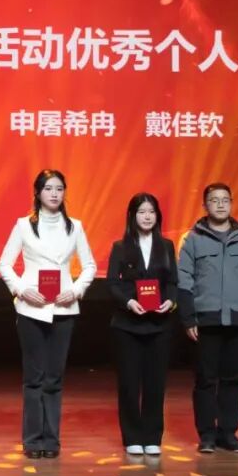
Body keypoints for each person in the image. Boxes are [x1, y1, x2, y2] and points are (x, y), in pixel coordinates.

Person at [0, 170, 96, 459]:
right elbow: (4, 264)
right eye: (48, 188)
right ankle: (32, 440)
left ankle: (51, 441)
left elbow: (89, 266)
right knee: (34, 377)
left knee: (54, 378)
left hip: (64, 307)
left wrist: (75, 290)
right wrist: (21, 290)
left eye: (59, 189)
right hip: (32, 307)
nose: (54, 194)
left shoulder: (75, 227)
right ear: (38, 192)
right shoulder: (23, 225)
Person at [178, 182, 238, 454]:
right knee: (205, 380)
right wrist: (188, 318)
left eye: (225, 200)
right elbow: (184, 281)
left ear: (231, 203)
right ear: (205, 205)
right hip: (206, 321)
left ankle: (228, 433)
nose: (220, 204)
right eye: (214, 200)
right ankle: (206, 435)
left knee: (234, 380)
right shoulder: (193, 239)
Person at [106, 193, 177, 457]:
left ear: (157, 216)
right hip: (128, 325)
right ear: (132, 216)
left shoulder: (167, 246)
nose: (147, 217)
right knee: (129, 383)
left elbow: (173, 282)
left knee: (155, 383)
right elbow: (112, 283)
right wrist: (128, 302)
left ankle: (152, 436)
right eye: (142, 212)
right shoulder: (120, 247)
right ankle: (132, 436)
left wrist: (170, 301)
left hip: (159, 324)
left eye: (151, 212)